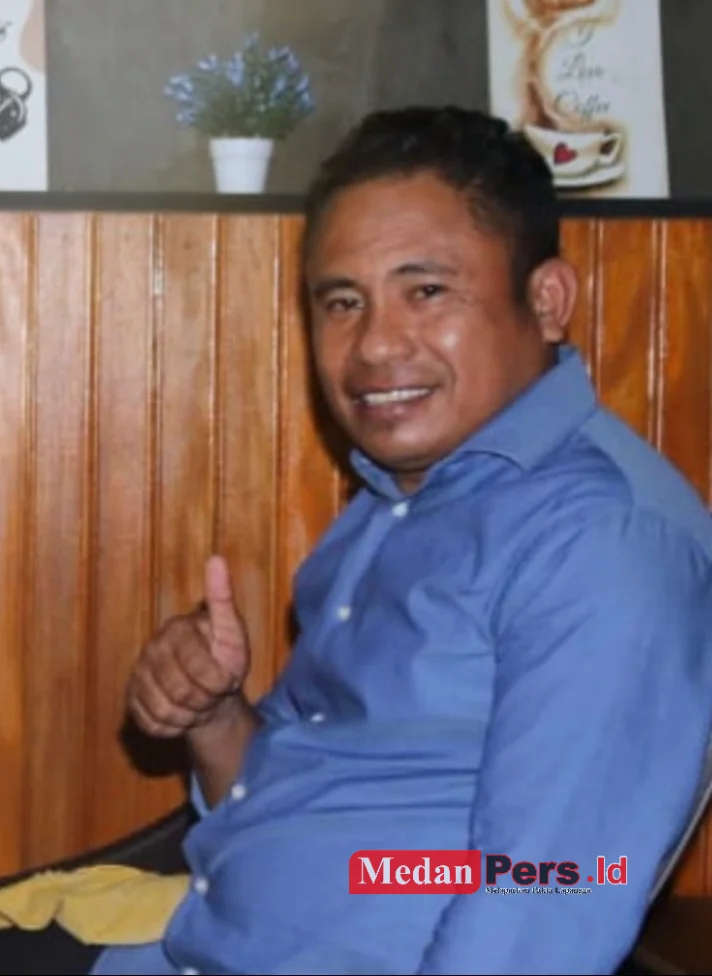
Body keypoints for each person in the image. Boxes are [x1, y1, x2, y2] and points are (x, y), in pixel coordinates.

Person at [3, 105, 712, 975]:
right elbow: (293, 804)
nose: (374, 345)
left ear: (547, 300)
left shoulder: (603, 544)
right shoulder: (398, 500)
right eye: (343, 302)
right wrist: (214, 716)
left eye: (427, 291)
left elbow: (547, 896)